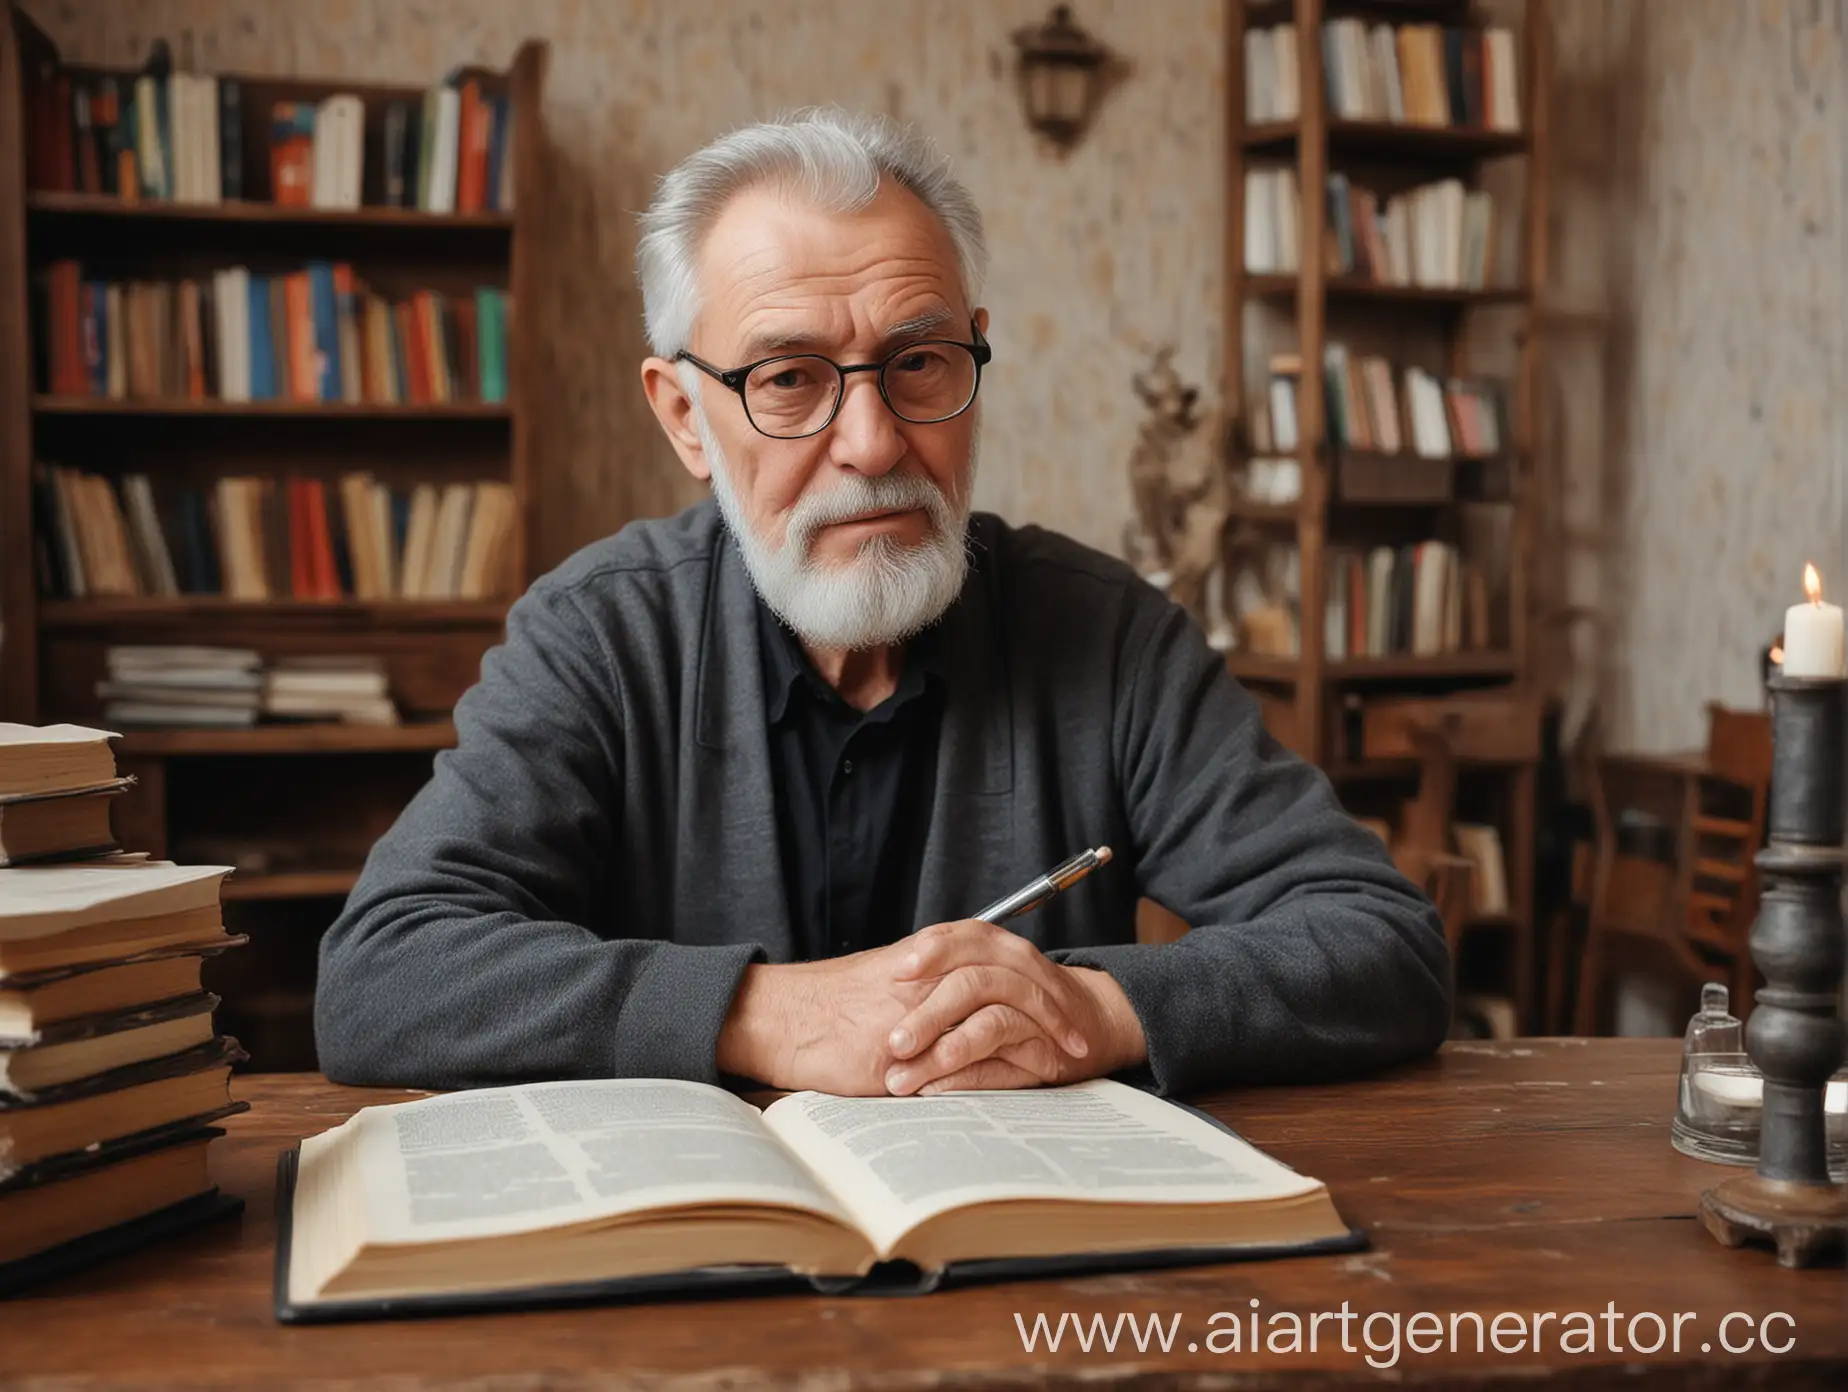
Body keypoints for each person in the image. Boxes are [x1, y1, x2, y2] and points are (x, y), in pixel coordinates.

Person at [314, 109, 1449, 1099]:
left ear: (976, 357)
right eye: (789, 378)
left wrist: (1096, 1010)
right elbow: (382, 975)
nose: (871, 444)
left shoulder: (1106, 633)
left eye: (918, 362)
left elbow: (1383, 943)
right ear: (682, 418)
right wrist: (767, 1014)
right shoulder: (597, 638)